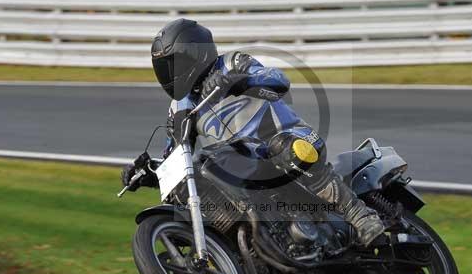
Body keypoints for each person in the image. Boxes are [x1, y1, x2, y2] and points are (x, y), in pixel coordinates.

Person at [122, 18, 385, 247]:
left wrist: (240, 81)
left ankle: (359, 215)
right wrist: (150, 173)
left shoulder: (232, 64)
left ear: (195, 54)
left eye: (174, 65)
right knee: (193, 181)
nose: (169, 75)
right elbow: (177, 157)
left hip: (290, 139)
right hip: (244, 164)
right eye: (164, 68)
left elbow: (278, 80)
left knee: (286, 148)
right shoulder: (181, 107)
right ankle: (251, 248)